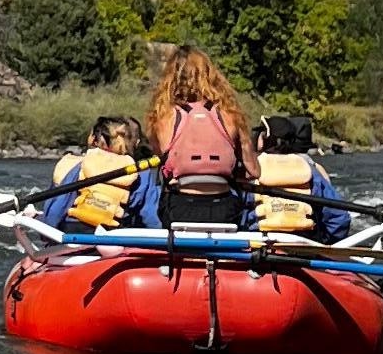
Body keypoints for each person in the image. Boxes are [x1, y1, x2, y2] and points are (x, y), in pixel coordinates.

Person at [146, 47, 251, 226]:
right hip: (224, 208)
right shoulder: (230, 113)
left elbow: (161, 160)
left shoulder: (163, 116)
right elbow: (254, 171)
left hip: (179, 208)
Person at [248, 108, 356, 245]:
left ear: (264, 140)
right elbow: (340, 218)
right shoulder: (311, 172)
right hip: (304, 245)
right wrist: (324, 243)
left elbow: (237, 209)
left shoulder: (251, 172)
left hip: (258, 243)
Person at [41, 115, 149, 234]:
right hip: (111, 233)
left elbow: (61, 202)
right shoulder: (138, 173)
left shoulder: (83, 165)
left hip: (73, 228)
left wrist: (48, 229)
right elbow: (148, 214)